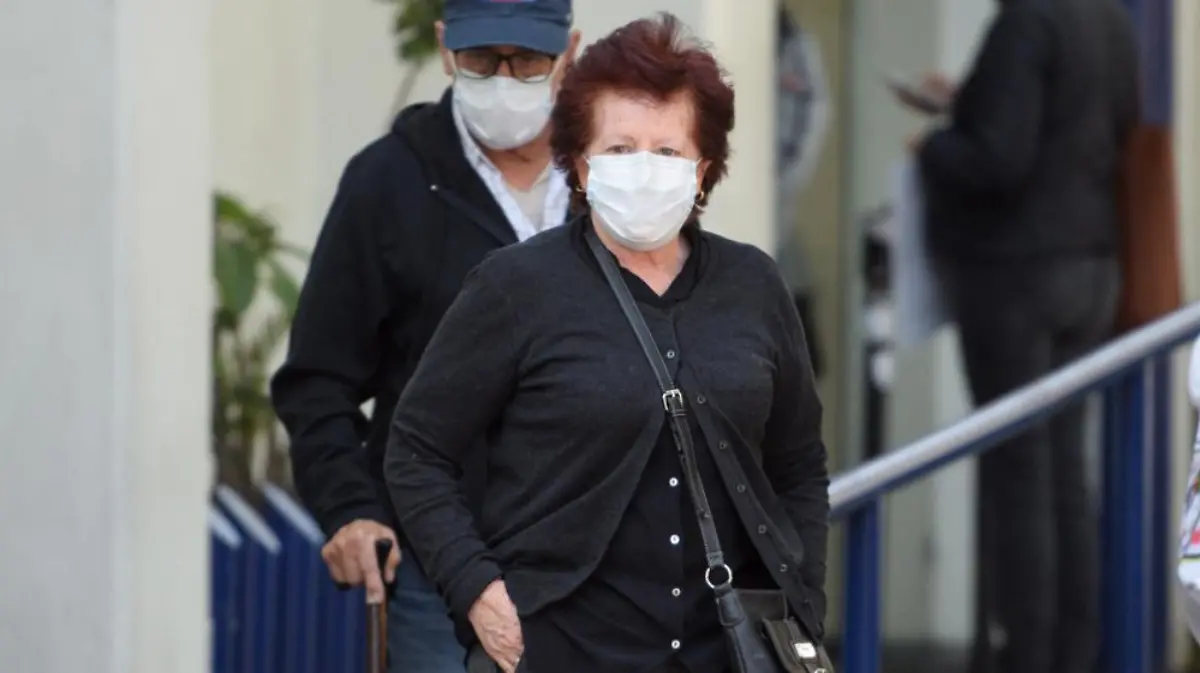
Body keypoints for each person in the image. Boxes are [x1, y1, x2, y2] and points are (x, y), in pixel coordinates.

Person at [385, 14, 830, 673]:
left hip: (723, 651)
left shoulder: (753, 284)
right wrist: (477, 589)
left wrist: (803, 602)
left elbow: (799, 466)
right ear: (580, 165)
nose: (644, 170)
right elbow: (417, 448)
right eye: (620, 149)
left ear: (703, 170)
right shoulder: (517, 286)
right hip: (558, 645)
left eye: (667, 151)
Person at [270, 1, 579, 671]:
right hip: (438, 573)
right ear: (444, 49)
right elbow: (317, 380)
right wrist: (351, 508)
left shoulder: (610, 179)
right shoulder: (388, 182)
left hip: (598, 569)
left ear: (570, 54)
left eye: (528, 61)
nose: (503, 80)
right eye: (481, 59)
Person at [900, 2, 1140, 673]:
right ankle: (1073, 651)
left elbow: (998, 159)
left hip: (1018, 274)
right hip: (1091, 266)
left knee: (1018, 473)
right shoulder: (1108, 18)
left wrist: (933, 147)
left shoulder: (1026, 20)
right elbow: (1102, 124)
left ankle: (1025, 653)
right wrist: (967, 103)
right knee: (1066, 472)